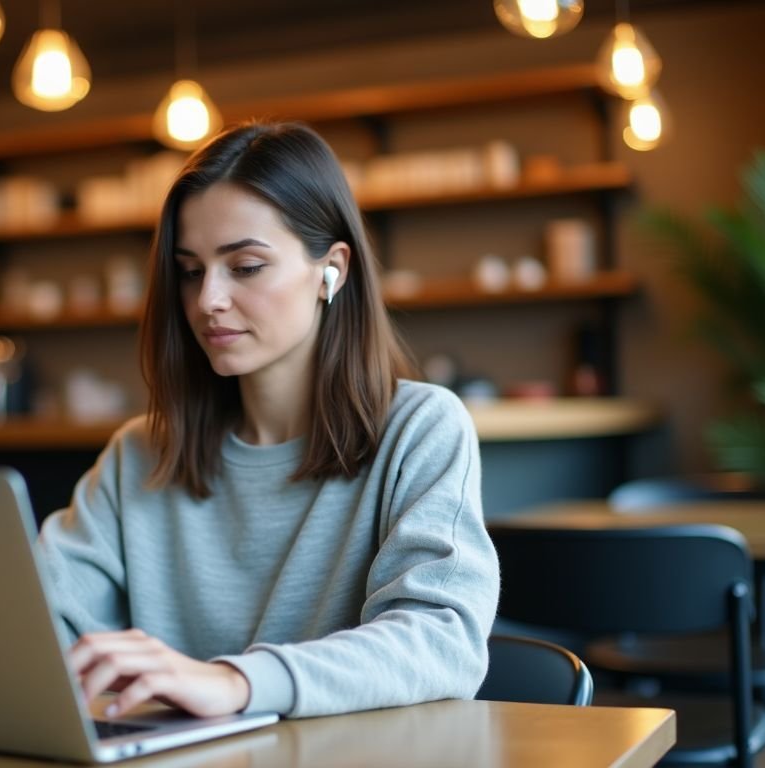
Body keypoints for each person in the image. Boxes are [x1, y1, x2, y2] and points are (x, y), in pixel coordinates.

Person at [37, 121, 499, 720]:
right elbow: (38, 619)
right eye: (190, 270)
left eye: (246, 266)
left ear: (331, 270)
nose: (207, 301)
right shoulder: (140, 454)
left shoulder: (421, 429)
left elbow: (442, 640)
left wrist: (236, 682)